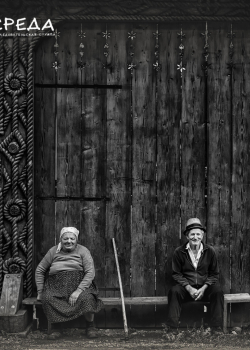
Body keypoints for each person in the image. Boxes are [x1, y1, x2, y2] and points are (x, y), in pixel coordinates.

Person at [35, 227, 103, 338]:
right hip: (55, 285)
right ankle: (56, 328)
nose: (69, 241)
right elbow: (40, 270)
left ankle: (90, 326)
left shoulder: (83, 250)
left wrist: (78, 291)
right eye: (65, 238)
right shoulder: (53, 251)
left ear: (76, 240)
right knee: (47, 298)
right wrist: (40, 290)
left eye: (72, 238)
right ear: (61, 239)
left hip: (79, 283)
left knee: (87, 298)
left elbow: (90, 272)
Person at [166, 218, 224, 333]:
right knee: (174, 291)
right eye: (192, 234)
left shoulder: (210, 251)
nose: (195, 237)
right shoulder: (179, 252)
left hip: (204, 288)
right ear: (187, 236)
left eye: (198, 234)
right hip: (186, 288)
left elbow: (214, 274)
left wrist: (203, 288)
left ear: (202, 235)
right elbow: (176, 274)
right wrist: (189, 288)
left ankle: (217, 328)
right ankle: (172, 329)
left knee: (218, 291)